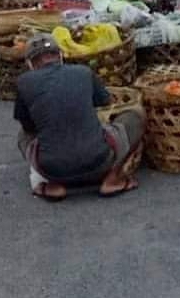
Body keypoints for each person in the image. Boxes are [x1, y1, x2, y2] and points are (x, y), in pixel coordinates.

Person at [14, 33, 145, 200]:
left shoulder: (23, 82)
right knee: (136, 115)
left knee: (22, 135)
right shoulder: (83, 72)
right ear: (60, 56)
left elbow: (28, 128)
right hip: (100, 163)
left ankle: (52, 185)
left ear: (30, 64)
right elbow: (104, 102)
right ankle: (112, 180)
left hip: (54, 171)